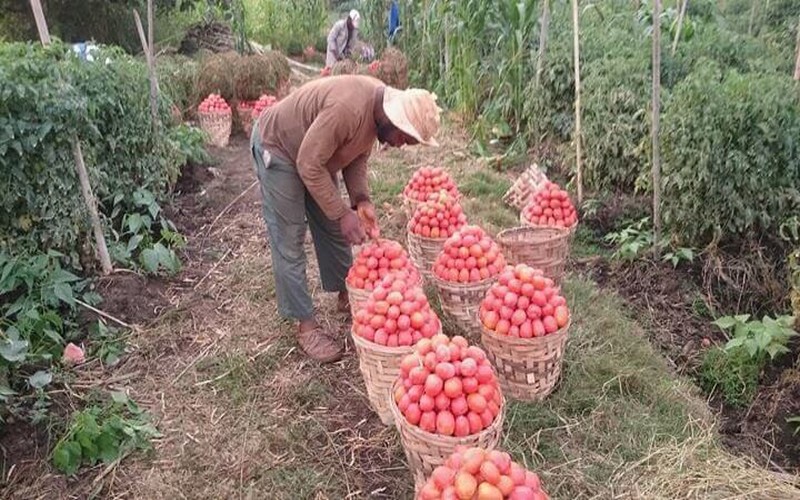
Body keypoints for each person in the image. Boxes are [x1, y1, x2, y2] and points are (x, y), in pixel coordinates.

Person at [250, 75, 441, 363]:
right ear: (394, 120)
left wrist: (360, 200)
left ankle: (345, 293)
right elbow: (307, 163)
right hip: (279, 149)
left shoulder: (377, 112)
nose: (402, 145)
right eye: (405, 138)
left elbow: (356, 156)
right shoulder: (348, 108)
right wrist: (341, 213)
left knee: (332, 227)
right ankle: (306, 326)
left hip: (314, 154)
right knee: (289, 238)